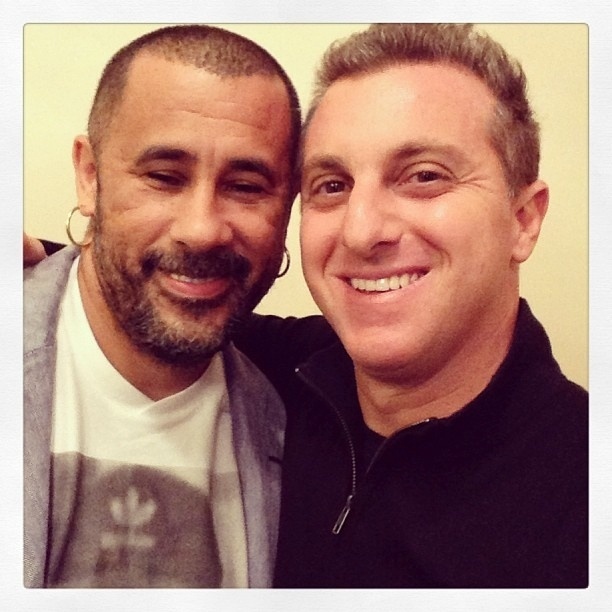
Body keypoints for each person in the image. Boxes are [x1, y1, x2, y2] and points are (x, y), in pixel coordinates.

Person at [237, 24, 588, 588]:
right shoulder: (272, 378)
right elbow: (152, 306)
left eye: (424, 176)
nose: (360, 231)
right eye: (332, 185)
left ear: (523, 220)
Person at [23, 24, 305, 588]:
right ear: (89, 175)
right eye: (164, 177)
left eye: (247, 186)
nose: (202, 230)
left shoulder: (303, 414)